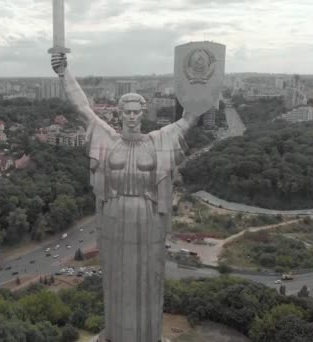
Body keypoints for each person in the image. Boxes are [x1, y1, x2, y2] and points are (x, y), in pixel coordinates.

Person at [51, 53, 204, 342]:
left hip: (147, 218)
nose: (132, 117)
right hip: (114, 215)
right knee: (116, 277)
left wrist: (203, 83)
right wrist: (64, 73)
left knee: (148, 276)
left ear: (142, 113)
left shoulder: (158, 140)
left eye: (137, 112)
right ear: (120, 114)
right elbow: (82, 107)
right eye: (127, 112)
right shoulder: (107, 139)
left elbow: (190, 118)